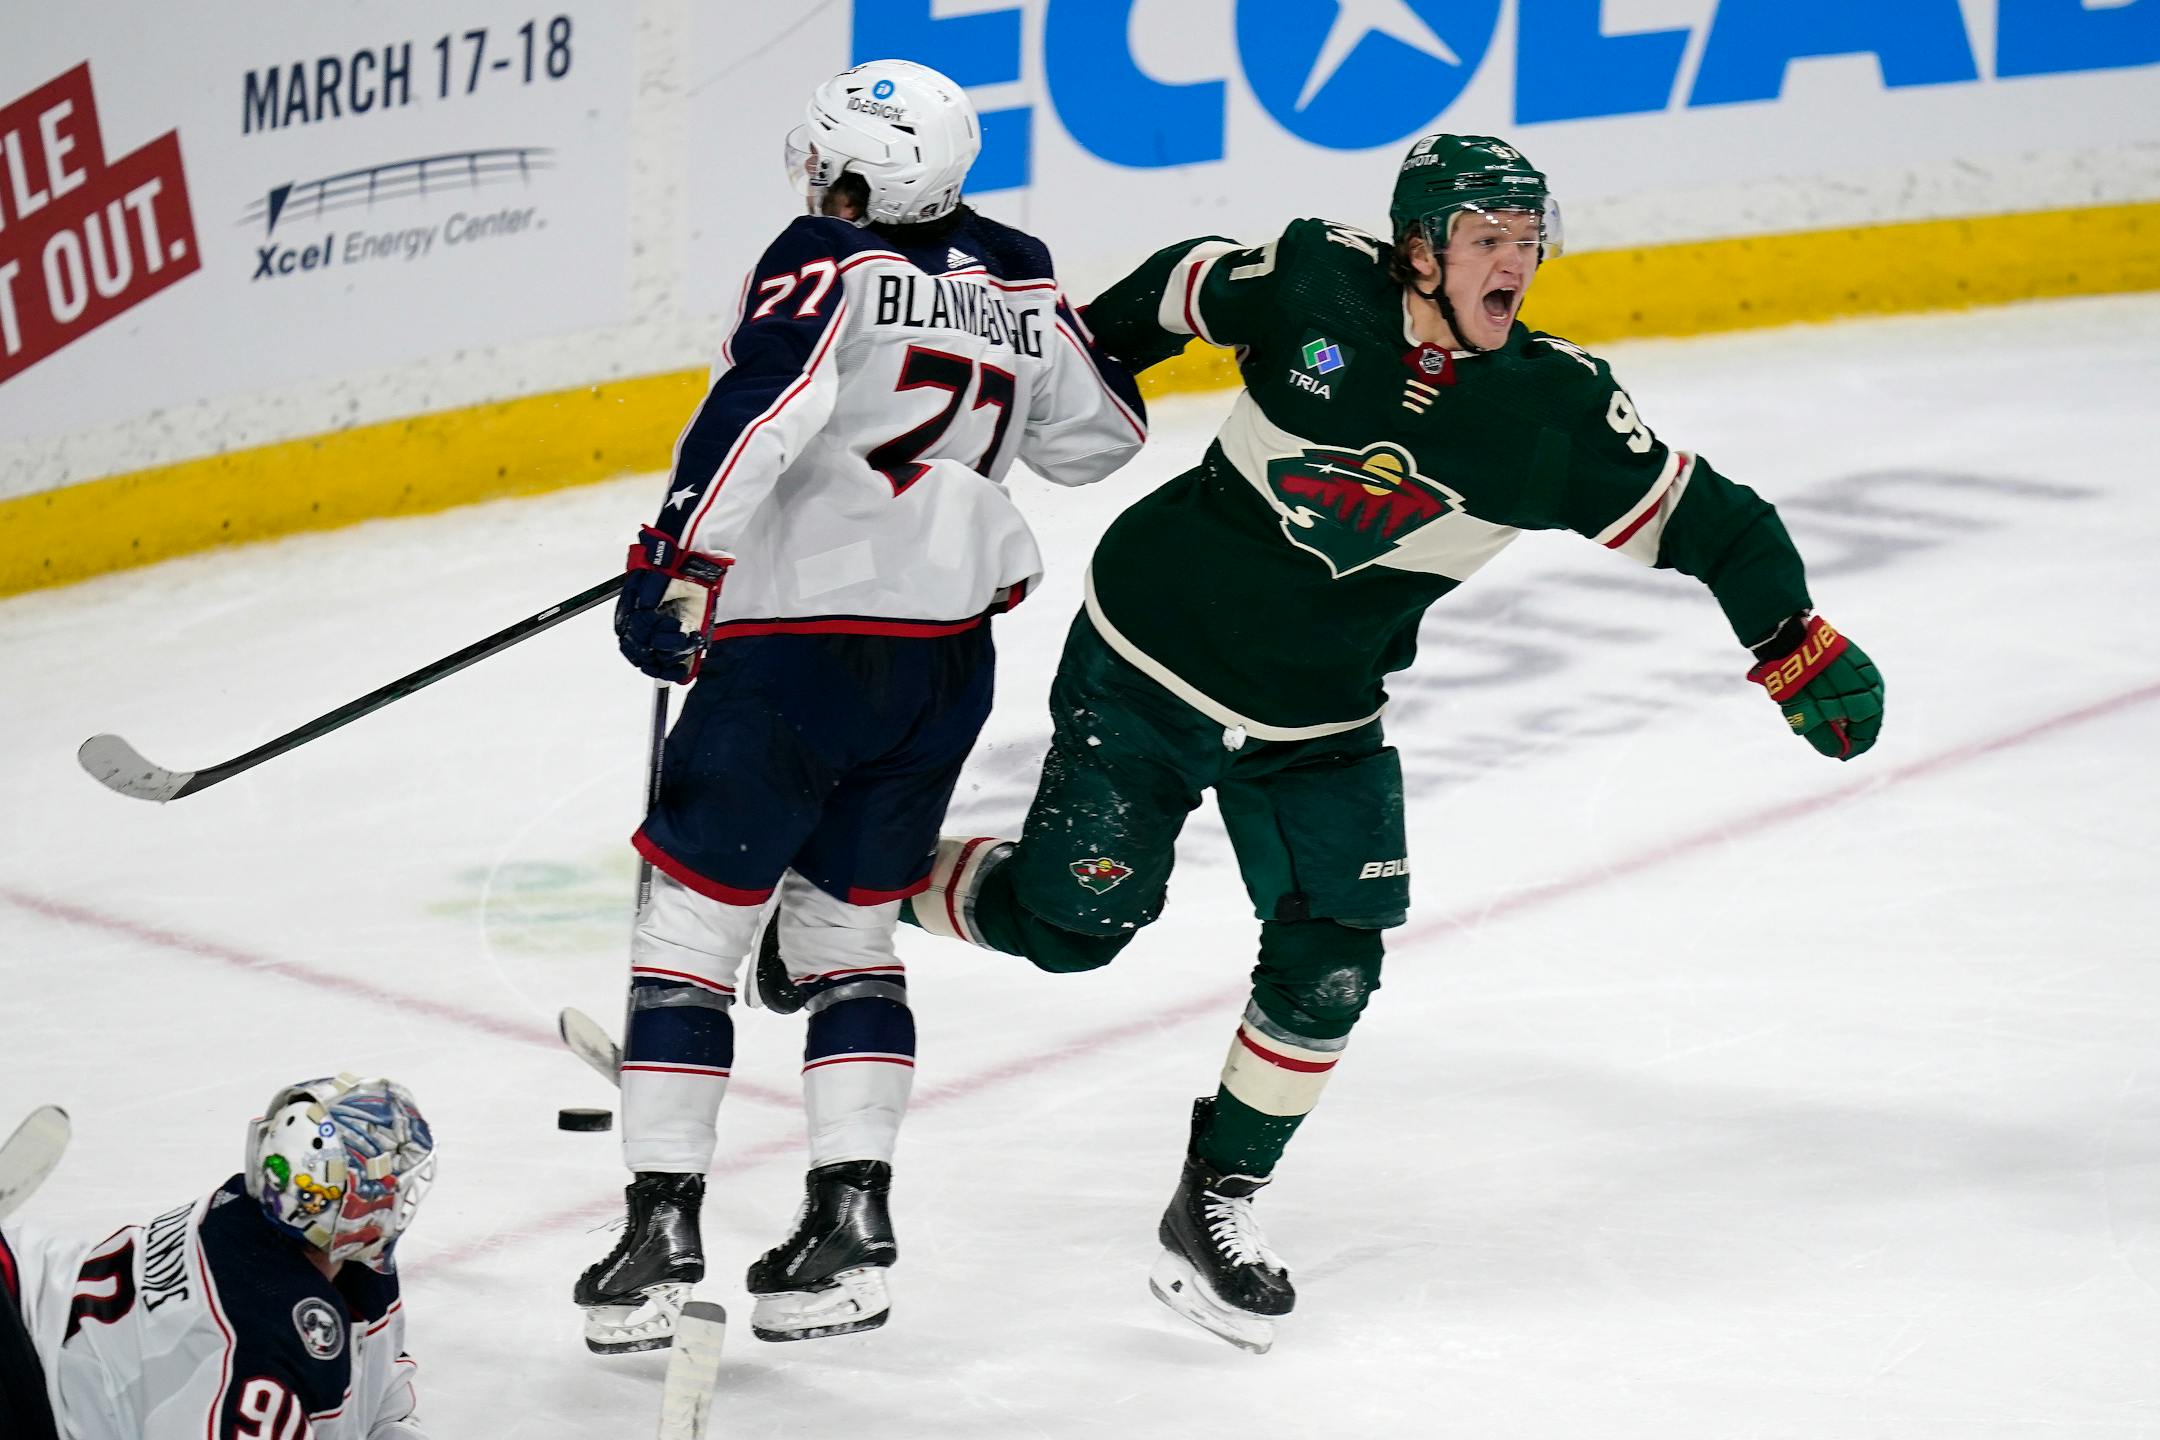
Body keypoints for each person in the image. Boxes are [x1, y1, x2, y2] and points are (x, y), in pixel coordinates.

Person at [906, 134, 1885, 1353]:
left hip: (1320, 720)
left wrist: (1790, 637)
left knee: (1332, 965)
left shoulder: (1557, 415)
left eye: (1527, 241)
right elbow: (1178, 288)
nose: (1513, 262)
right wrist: (1065, 382)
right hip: (1149, 660)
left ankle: (1214, 1200)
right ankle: (857, 881)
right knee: (1069, 927)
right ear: (1419, 248)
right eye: (1486, 238)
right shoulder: (1318, 286)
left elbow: (1715, 521)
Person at [577, 58, 1148, 1352]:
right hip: (942, 663)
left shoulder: (824, 256)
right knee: (847, 940)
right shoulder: (1020, 272)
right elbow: (1100, 437)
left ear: (858, 174)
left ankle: (660, 1234)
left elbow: (765, 410)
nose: (816, 182)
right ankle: (851, 1229)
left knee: (691, 935)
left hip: (793, 649)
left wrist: (680, 562)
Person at [0, 1076, 435, 1438]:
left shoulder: (323, 1246)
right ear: (350, 1208)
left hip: (33, 1284)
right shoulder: (256, 1340)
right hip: (31, 1383)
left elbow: (383, 1408)